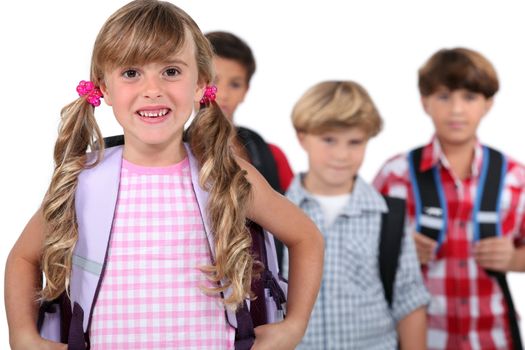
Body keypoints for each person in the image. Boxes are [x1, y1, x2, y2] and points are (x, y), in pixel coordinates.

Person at [4, 1, 324, 349]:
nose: (152, 89)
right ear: (104, 88)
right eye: (131, 73)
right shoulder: (84, 179)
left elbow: (306, 237)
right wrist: (22, 334)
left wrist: (294, 325)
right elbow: (23, 258)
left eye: (171, 71)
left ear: (201, 84)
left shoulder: (226, 174)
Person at [373, 47, 525, 350]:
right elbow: (357, 253)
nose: (456, 109)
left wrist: (515, 259)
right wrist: (395, 254)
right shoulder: (395, 174)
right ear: (425, 102)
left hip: (494, 338)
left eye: (469, 97)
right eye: (444, 96)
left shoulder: (514, 177)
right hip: (418, 339)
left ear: (488, 104)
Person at [283, 81, 430, 349]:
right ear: (302, 137)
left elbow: (409, 298)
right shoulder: (277, 213)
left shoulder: (389, 216)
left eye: (355, 142)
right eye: (328, 140)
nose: (341, 154)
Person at [205, 31, 294, 269]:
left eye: (234, 83)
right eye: (213, 81)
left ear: (245, 90)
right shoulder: (174, 151)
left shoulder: (271, 156)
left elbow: (298, 226)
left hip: (265, 280)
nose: (222, 93)